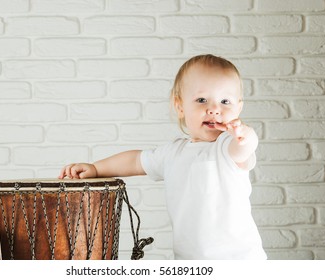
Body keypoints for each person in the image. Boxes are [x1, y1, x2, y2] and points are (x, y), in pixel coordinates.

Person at [59, 54, 267, 260]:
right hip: (191, 261)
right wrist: (96, 169)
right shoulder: (173, 153)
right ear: (180, 106)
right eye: (202, 100)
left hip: (241, 261)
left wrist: (243, 134)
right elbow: (134, 161)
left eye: (225, 101)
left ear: (238, 108)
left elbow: (246, 147)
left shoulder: (226, 148)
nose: (213, 109)